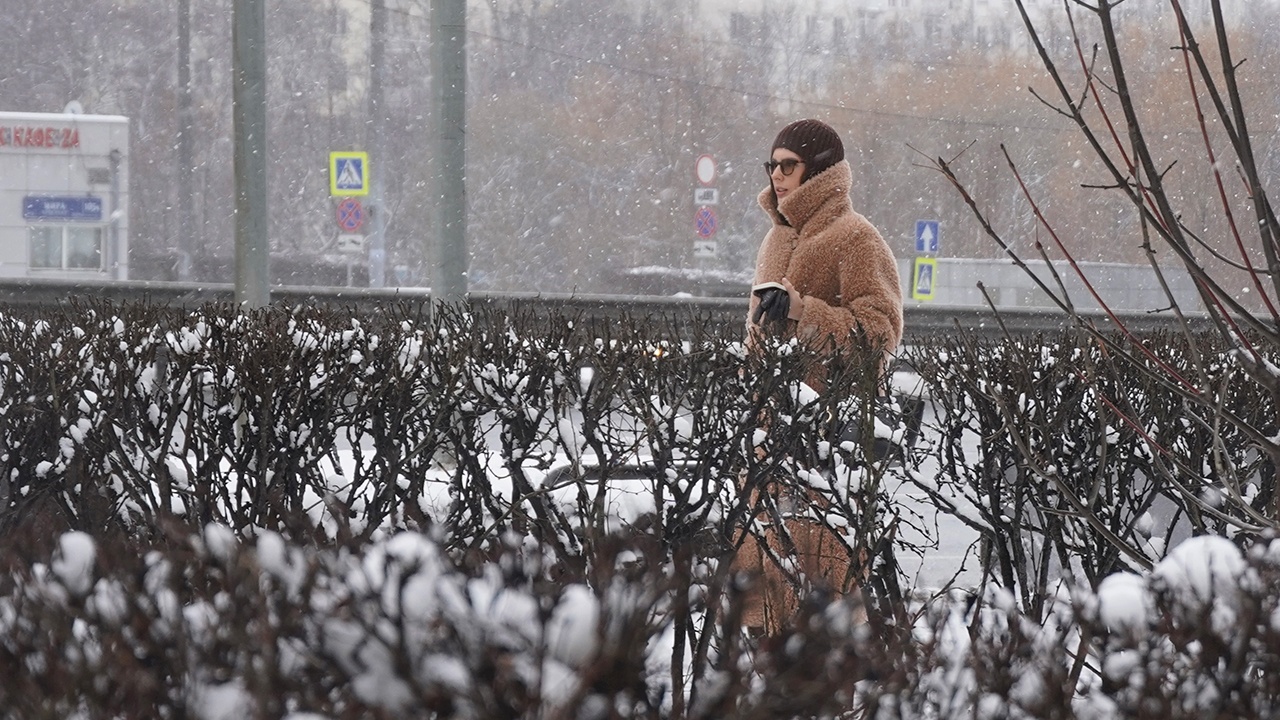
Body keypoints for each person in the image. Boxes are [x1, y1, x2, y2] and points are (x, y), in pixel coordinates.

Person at [735, 118, 904, 634]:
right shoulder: (775, 238)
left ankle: (823, 693)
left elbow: (880, 333)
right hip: (769, 435)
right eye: (773, 164)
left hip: (826, 439)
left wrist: (803, 313)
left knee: (819, 590)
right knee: (758, 590)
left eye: (789, 164)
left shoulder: (856, 237)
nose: (777, 175)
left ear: (821, 170)